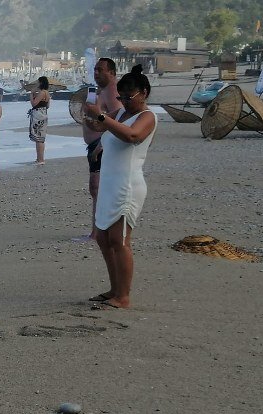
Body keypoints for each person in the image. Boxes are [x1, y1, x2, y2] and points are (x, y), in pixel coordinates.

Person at [82, 65, 158, 309]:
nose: (125, 102)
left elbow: (132, 136)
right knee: (103, 239)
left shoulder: (148, 117)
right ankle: (114, 289)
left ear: (144, 93)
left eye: (129, 97)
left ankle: (123, 296)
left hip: (127, 185)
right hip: (109, 183)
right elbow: (101, 128)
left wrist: (102, 117)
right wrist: (90, 115)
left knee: (119, 239)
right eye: (121, 97)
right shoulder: (121, 113)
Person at [80, 58, 123, 240]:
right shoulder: (103, 91)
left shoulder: (112, 91)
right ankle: (98, 231)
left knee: (98, 188)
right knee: (96, 189)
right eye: (95, 70)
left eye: (101, 70)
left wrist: (103, 143)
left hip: (102, 145)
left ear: (112, 72)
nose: (96, 73)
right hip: (96, 145)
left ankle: (98, 232)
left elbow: (119, 118)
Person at [28, 76, 51, 165]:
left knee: (39, 139)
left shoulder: (42, 93)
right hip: (43, 113)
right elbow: (47, 106)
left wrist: (31, 94)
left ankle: (40, 159)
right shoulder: (47, 93)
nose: (37, 83)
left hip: (38, 115)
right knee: (40, 138)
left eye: (38, 82)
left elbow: (34, 104)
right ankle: (39, 158)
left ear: (41, 83)